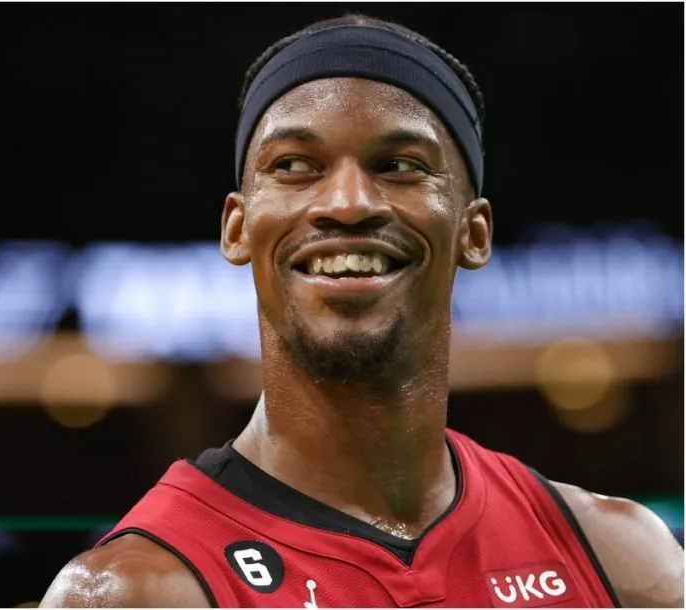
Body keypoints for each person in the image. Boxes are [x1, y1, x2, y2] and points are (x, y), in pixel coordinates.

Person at [40, 13, 684, 608]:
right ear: (237, 228)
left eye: (399, 166)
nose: (348, 203)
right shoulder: (136, 590)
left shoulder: (622, 561)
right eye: (295, 166)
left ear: (475, 233)